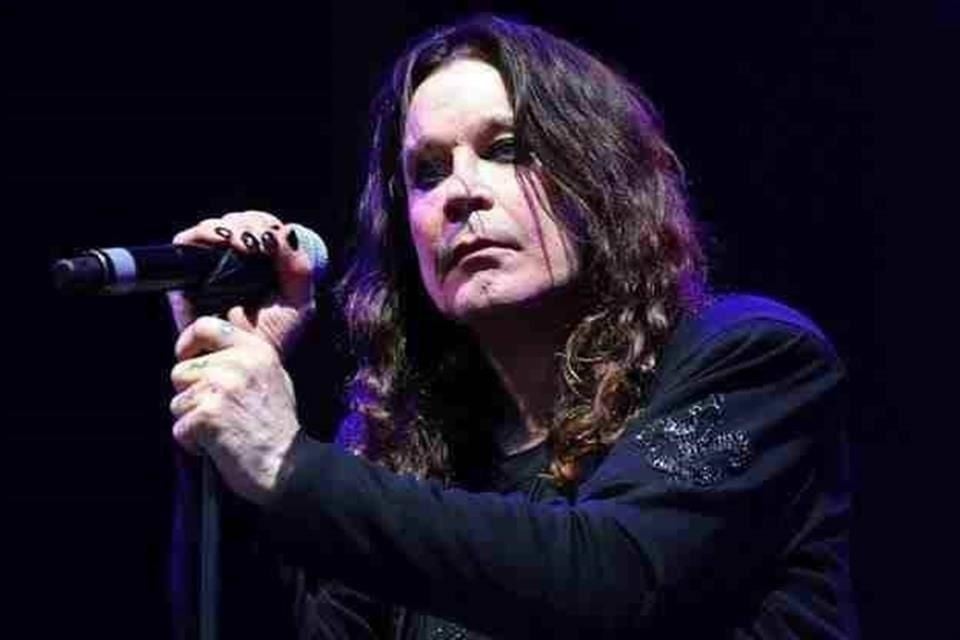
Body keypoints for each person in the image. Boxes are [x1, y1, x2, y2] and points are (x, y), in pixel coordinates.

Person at [167, 15, 858, 638]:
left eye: (505, 149)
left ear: (599, 176)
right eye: (428, 172)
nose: (460, 192)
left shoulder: (753, 360)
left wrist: (289, 464)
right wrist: (225, 420)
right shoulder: (410, 450)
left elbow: (615, 583)